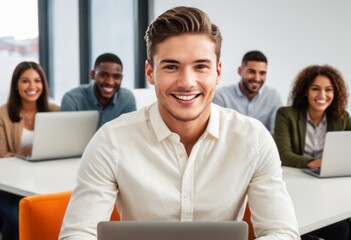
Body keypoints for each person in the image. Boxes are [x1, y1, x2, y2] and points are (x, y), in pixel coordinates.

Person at [59, 6, 300, 240]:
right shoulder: (111, 141)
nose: (187, 82)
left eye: (200, 66)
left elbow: (281, 232)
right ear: (150, 72)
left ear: (217, 72)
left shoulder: (253, 139)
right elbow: (77, 233)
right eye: (172, 66)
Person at [274, 65, 351, 240]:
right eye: (315, 89)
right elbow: (283, 154)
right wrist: (318, 163)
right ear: (305, 91)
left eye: (328, 90)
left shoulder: (342, 118)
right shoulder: (287, 115)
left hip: (328, 188)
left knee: (344, 227)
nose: (322, 96)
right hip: (297, 185)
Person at [0, 61, 60, 240]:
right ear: (16, 86)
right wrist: (25, 153)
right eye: (25, 81)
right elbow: (1, 155)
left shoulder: (54, 111)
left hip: (44, 182)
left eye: (37, 80)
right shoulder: (3, 114)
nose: (32, 86)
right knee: (16, 218)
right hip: (8, 188)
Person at [60, 53, 136, 129]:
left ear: (121, 78)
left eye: (116, 76)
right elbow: (66, 135)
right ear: (93, 75)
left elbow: (131, 132)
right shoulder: (72, 100)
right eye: (103, 75)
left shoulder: (127, 99)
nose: (110, 82)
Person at [213, 50, 282, 133]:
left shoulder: (273, 97)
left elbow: (276, 132)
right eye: (252, 72)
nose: (257, 78)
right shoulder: (221, 96)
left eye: (262, 73)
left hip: (262, 145)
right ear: (240, 71)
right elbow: (217, 131)